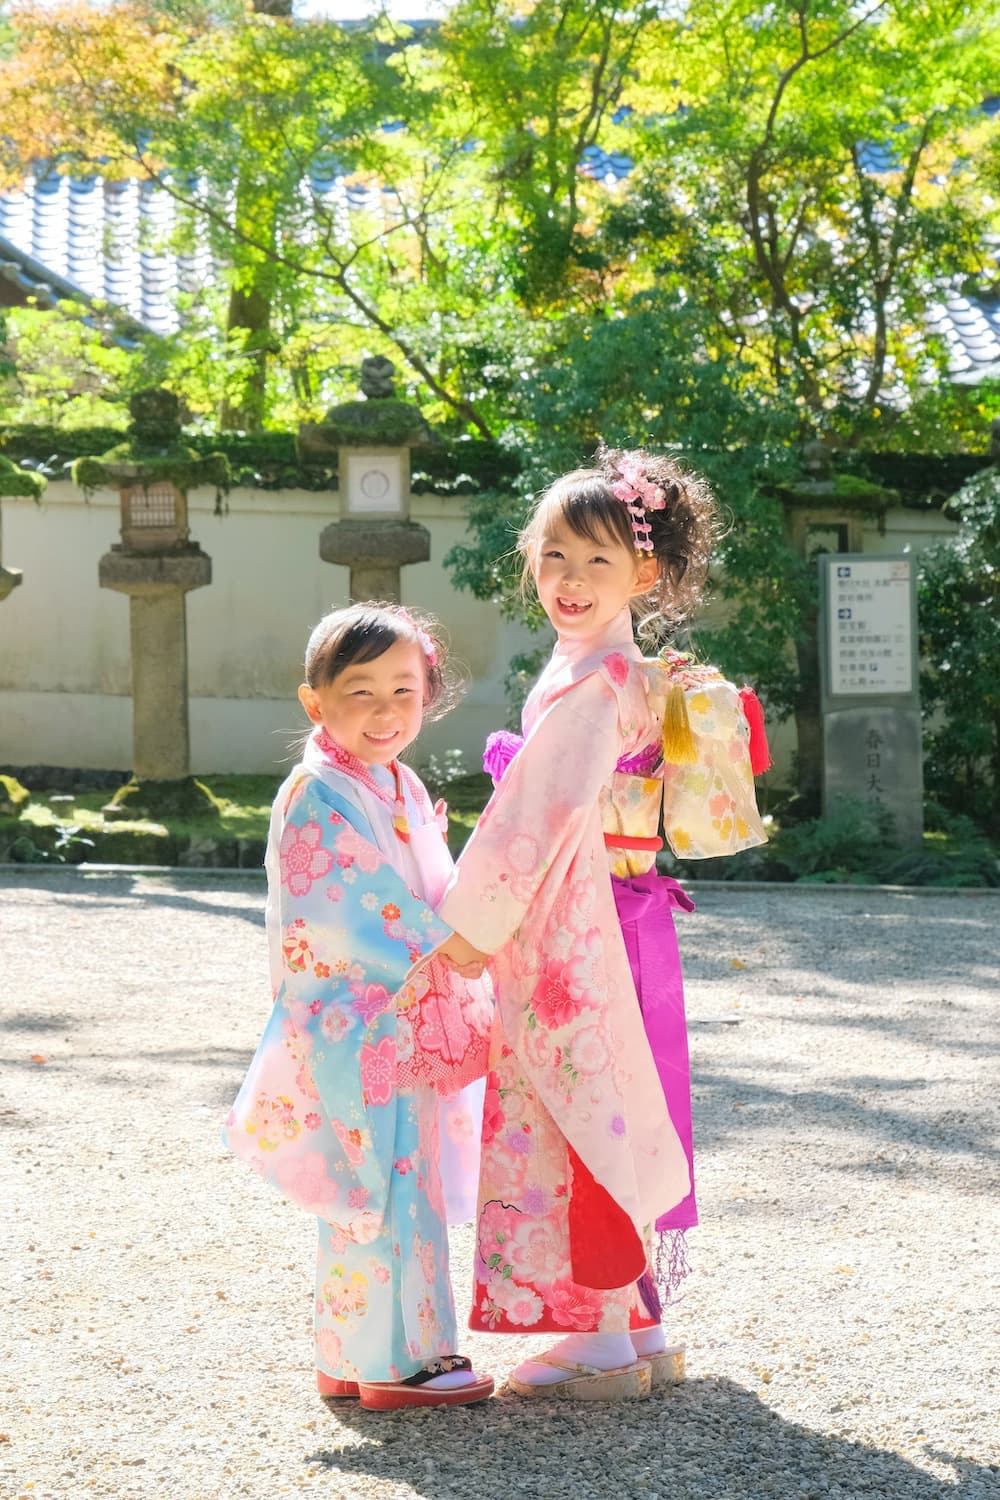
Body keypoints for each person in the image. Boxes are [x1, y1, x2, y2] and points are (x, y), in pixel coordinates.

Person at [434, 447, 769, 1400]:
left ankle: (598, 1338)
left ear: (644, 574)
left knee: (575, 1107)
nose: (570, 582)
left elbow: (535, 813)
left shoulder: (594, 678)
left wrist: (471, 926)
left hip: (584, 923)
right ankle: (638, 1325)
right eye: (553, 557)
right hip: (627, 914)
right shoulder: (620, 665)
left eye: (597, 561)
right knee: (622, 1100)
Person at [223, 603, 494, 1411]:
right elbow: (352, 900)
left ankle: (354, 1354)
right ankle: (396, 1363)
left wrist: (466, 923)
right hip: (356, 1022)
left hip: (392, 1018)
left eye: (404, 692)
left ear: (428, 695)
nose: (385, 712)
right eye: (361, 692)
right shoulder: (317, 789)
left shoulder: (396, 781)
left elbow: (423, 880)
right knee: (378, 1185)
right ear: (316, 703)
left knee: (392, 1185)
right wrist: (449, 940)